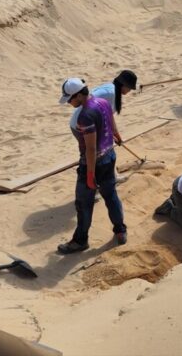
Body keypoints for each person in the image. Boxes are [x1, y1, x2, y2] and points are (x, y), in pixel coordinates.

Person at [57, 78, 127, 254]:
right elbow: (110, 118)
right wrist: (116, 134)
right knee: (111, 196)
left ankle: (80, 241)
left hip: (94, 163)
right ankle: (120, 230)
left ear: (79, 95)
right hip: (110, 155)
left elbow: (90, 148)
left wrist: (89, 174)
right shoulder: (103, 102)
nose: (70, 103)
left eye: (70, 99)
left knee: (83, 203)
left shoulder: (85, 116)